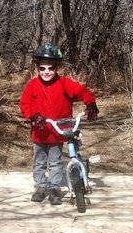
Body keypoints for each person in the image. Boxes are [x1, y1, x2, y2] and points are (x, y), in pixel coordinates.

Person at [19, 43, 99, 205]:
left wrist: (90, 104)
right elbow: (25, 104)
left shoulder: (64, 83)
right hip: (40, 131)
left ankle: (54, 187)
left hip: (57, 131)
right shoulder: (32, 85)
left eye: (50, 68)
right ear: (37, 68)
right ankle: (41, 186)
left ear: (56, 68)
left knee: (55, 161)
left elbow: (83, 91)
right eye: (42, 68)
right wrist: (34, 116)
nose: (46, 72)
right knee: (39, 161)